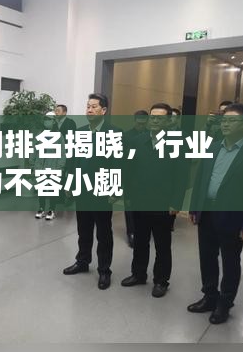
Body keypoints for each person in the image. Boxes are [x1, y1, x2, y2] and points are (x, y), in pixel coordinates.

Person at [188, 103, 243, 324]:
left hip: (233, 218)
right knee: (207, 257)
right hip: (207, 213)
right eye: (224, 120)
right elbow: (200, 180)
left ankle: (225, 303)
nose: (226, 124)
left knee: (230, 262)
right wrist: (194, 207)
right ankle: (209, 296)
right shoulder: (212, 147)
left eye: (232, 121)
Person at [121, 103, 187, 298]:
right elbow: (129, 170)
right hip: (140, 201)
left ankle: (161, 281)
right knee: (140, 241)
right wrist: (128, 196)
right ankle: (138, 274)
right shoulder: (138, 141)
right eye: (153, 116)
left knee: (162, 245)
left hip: (163, 204)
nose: (155, 120)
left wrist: (176, 202)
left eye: (160, 117)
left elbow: (181, 176)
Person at [62, 93, 117, 290]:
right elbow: (72, 161)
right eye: (88, 106)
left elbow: (118, 164)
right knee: (83, 229)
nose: (89, 110)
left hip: (102, 190)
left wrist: (115, 190)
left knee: (103, 233)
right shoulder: (80, 132)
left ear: (104, 110)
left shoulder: (113, 133)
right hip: (82, 189)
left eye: (94, 106)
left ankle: (104, 270)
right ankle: (83, 261)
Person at [30, 111, 65, 221]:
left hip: (53, 166)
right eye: (45, 119)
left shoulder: (59, 136)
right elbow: (34, 150)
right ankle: (41, 208)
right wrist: (32, 163)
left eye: (49, 119)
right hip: (40, 166)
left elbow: (62, 153)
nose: (46, 121)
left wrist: (60, 167)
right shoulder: (40, 135)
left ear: (54, 121)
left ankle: (51, 210)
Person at [122, 110, 149, 247]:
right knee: (129, 206)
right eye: (139, 121)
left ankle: (142, 231)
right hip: (130, 176)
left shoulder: (151, 135)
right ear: (135, 120)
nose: (141, 124)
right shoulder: (127, 136)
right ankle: (131, 232)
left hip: (147, 178)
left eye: (144, 122)